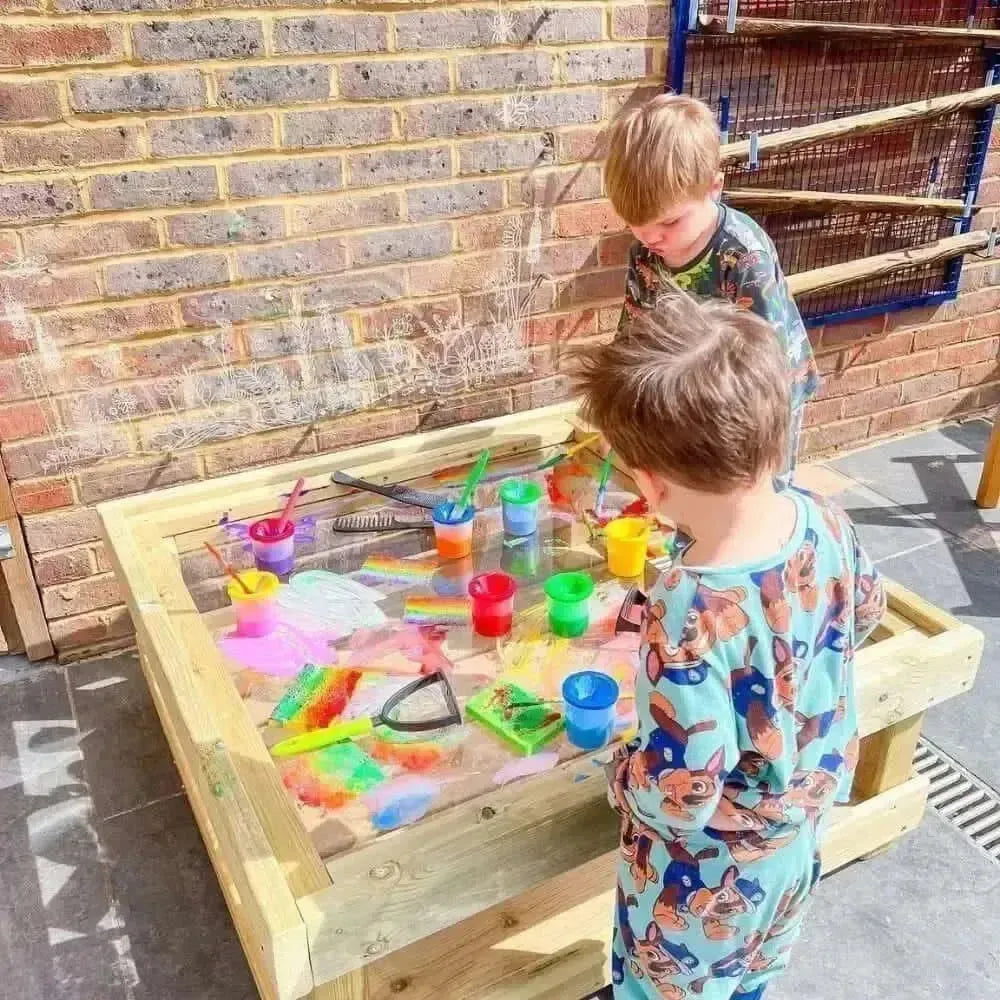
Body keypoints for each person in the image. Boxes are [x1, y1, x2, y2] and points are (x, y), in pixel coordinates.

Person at [572, 295, 885, 1000]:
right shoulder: (821, 517)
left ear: (651, 485)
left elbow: (680, 791)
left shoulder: (688, 608)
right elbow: (864, 612)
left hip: (704, 883)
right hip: (796, 839)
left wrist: (619, 773)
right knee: (750, 981)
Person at [605, 93, 819, 482]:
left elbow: (763, 366)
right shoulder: (645, 254)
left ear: (713, 187)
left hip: (765, 399)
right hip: (700, 398)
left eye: (669, 222)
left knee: (757, 496)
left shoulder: (741, 255)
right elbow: (633, 339)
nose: (652, 237)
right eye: (636, 223)